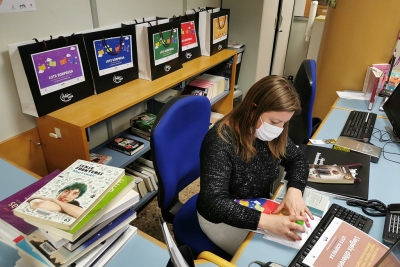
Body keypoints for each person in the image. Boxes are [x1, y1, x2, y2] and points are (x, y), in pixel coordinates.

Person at [196, 75, 314, 256]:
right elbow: (212, 204)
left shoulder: (270, 133)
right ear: (253, 109)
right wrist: (265, 222)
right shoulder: (220, 142)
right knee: (276, 257)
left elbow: (297, 159)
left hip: (257, 205)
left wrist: (295, 191)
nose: (279, 128)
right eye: (275, 122)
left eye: (284, 123)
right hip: (221, 218)